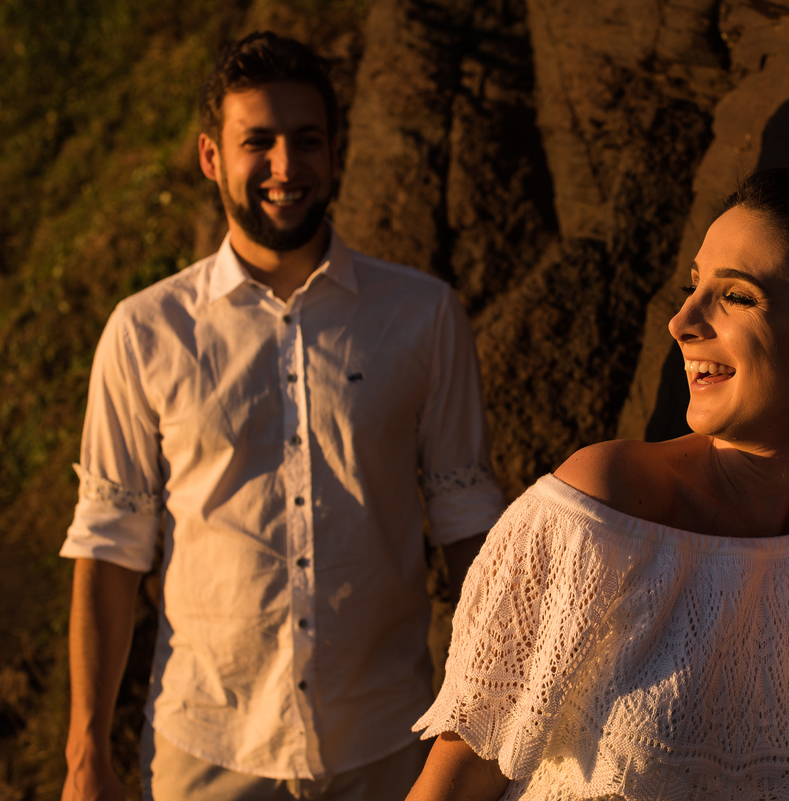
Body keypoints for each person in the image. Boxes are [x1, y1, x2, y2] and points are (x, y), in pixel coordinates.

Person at [403, 168, 789, 801]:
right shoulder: (602, 505)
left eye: (735, 296)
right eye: (694, 285)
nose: (682, 320)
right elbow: (456, 782)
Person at [59, 31, 506, 801]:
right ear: (210, 156)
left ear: (337, 151)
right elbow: (110, 548)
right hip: (207, 747)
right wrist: (84, 753)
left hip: (386, 740)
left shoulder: (423, 315)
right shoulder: (145, 331)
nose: (285, 166)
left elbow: (469, 521)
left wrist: (492, 713)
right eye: (256, 142)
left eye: (306, 140)